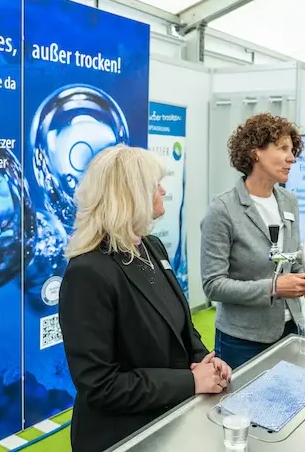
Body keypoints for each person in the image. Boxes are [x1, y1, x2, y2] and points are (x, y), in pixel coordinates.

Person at [58, 146, 231, 452]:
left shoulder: (151, 247)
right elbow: (101, 386)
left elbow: (182, 325)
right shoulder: (88, 272)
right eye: (154, 186)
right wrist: (191, 382)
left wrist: (205, 361)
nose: (163, 190)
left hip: (169, 420)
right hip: (122, 436)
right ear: (131, 196)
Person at [200, 113, 305, 369]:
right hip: (243, 341)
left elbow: (293, 262)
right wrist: (274, 287)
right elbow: (213, 285)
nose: (292, 158)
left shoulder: (289, 201)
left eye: (292, 150)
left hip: (291, 330)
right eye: (282, 149)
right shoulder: (222, 209)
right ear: (255, 152)